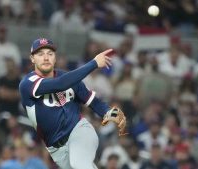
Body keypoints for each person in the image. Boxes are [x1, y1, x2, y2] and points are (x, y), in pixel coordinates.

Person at [19, 38, 126, 169]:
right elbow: (59, 84)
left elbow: (92, 101)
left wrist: (110, 112)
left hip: (79, 131)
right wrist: (94, 63)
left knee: (79, 165)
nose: (46, 58)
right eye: (40, 54)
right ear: (32, 59)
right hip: (56, 149)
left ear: (55, 58)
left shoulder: (69, 78)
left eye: (50, 54)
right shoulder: (27, 84)